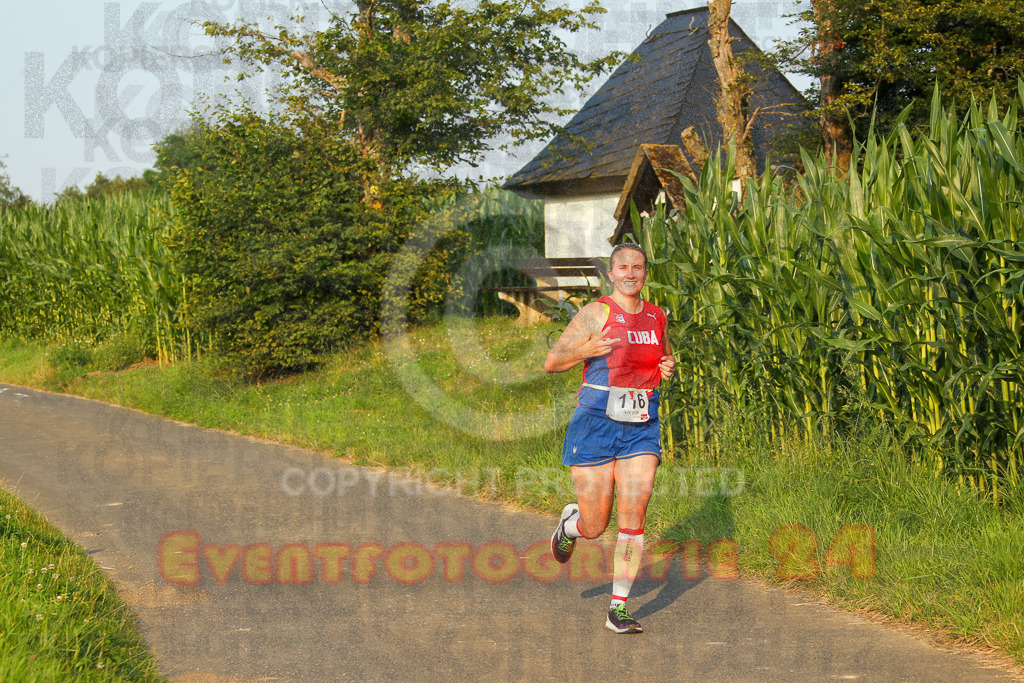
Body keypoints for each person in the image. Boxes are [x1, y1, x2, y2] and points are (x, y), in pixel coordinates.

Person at [545, 242, 675, 634]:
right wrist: (586, 348)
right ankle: (571, 525)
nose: (631, 273)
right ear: (612, 274)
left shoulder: (656, 316)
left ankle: (618, 608)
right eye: (623, 267)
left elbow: (661, 358)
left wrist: (667, 365)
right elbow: (552, 363)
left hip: (640, 427)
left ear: (645, 272)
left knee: (635, 512)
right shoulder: (595, 313)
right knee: (596, 524)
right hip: (595, 426)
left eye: (638, 266)